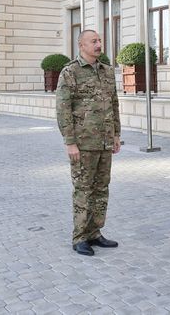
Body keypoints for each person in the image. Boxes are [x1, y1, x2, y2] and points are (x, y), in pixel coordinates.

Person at [56, 30, 121, 256]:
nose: (98, 44)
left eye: (99, 40)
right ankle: (80, 237)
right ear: (81, 45)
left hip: (104, 141)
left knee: (101, 188)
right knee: (83, 189)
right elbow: (63, 109)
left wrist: (116, 134)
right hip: (83, 143)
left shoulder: (107, 71)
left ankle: (95, 232)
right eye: (93, 41)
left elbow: (114, 104)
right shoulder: (70, 72)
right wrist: (70, 142)